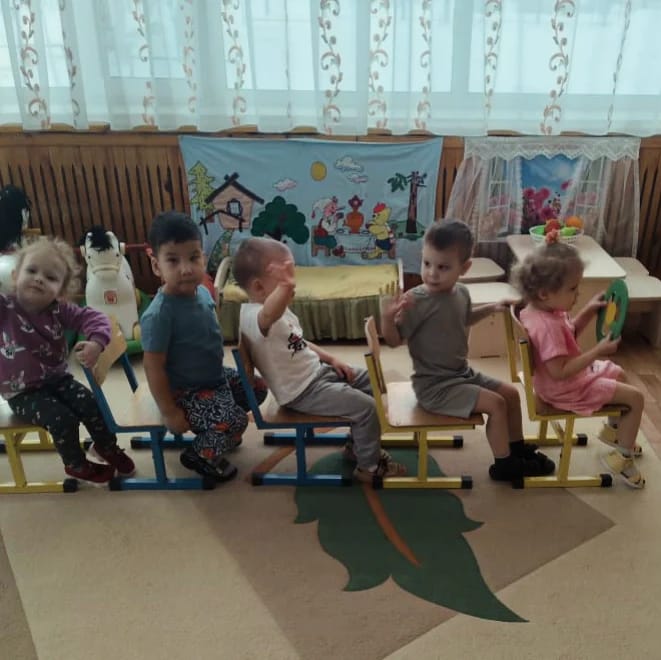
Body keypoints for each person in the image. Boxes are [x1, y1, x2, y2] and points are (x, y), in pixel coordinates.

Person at [380, 219, 555, 482]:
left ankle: (516, 449)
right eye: (427, 263)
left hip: (461, 374)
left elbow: (464, 318)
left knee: (510, 394)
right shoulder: (416, 301)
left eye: (443, 267)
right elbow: (394, 341)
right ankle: (504, 465)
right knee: (496, 405)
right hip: (435, 387)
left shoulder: (461, 292)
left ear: (464, 268)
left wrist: (492, 308)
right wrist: (387, 318)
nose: (432, 273)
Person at [233, 236, 407, 484]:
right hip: (301, 391)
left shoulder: (277, 313)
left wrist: (331, 358)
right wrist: (285, 288)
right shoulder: (255, 318)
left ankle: (357, 446)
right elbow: (269, 313)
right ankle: (368, 467)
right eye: (285, 281)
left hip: (316, 374)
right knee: (367, 408)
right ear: (259, 288)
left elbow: (298, 341)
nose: (293, 285)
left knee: (372, 380)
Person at [140, 211, 266, 484]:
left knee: (257, 388)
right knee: (236, 420)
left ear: (204, 258)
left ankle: (217, 431)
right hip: (185, 391)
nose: (186, 269)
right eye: (173, 260)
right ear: (156, 266)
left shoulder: (203, 292)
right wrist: (170, 412)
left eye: (193, 257)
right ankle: (199, 453)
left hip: (213, 377)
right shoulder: (159, 314)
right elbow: (153, 368)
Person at [511, 237, 645, 488]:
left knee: (618, 373)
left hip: (561, 382)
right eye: (573, 289)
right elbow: (560, 371)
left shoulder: (538, 310)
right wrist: (597, 351)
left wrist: (589, 311)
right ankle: (623, 459)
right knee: (636, 398)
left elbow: (568, 334)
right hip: (567, 389)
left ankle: (614, 432)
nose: (578, 293)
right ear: (544, 293)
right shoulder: (547, 327)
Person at [0, 236, 135, 484]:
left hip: (57, 379)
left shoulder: (58, 308)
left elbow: (95, 319)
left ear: (60, 291)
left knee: (89, 402)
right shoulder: (5, 307)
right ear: (15, 275)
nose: (39, 279)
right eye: (31, 271)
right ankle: (76, 464)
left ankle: (106, 447)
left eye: (50, 277)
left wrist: (96, 343)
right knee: (62, 418)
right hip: (22, 392)